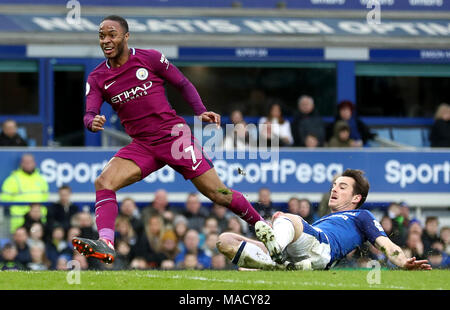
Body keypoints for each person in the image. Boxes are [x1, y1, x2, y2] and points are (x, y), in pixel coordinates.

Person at [73, 15, 265, 264]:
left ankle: (263, 228)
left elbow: (182, 83)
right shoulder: (98, 77)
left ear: (126, 37)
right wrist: (92, 121)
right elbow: (89, 113)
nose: (106, 40)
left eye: (112, 34)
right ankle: (106, 243)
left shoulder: (149, 58)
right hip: (142, 145)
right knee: (104, 182)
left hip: (174, 137)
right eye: (102, 36)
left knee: (219, 194)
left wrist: (199, 110)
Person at [216, 169, 431, 271]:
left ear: (356, 198)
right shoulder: (325, 219)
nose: (334, 188)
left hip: (322, 250)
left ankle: (273, 254)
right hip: (299, 253)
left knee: (288, 218)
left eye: (342, 186)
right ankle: (277, 262)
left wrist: (403, 261)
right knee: (225, 240)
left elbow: (386, 244)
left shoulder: (361, 216)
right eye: (334, 185)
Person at [1, 153, 49, 233]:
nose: (28, 164)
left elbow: (45, 200)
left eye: (30, 162)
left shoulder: (41, 180)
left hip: (39, 221)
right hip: (19, 223)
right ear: (21, 164)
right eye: (25, 162)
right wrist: (28, 212)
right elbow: (4, 200)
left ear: (34, 163)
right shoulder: (13, 179)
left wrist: (38, 213)